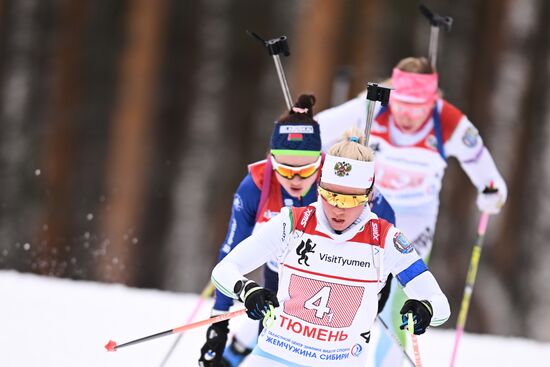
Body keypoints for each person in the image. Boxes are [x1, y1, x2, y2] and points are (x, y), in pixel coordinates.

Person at [315, 56, 508, 367]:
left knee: (402, 298)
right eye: (401, 103)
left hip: (416, 219)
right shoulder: (372, 105)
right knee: (351, 284)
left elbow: (484, 168)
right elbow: (316, 130)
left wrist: (492, 191)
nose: (406, 114)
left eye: (417, 106)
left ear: (433, 100)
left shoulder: (448, 121)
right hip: (368, 211)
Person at [209, 129, 450, 367]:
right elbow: (224, 270)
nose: (337, 208)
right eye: (330, 195)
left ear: (368, 195)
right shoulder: (292, 223)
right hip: (274, 357)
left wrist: (425, 308)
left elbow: (440, 303)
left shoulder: (386, 239)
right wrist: (247, 289)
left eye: (349, 200)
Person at [198, 96, 395, 367]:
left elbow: (387, 220)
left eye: (306, 171)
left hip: (338, 279)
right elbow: (232, 252)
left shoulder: (339, 179)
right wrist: (218, 324)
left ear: (321, 162)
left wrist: (384, 280)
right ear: (271, 161)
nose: (296, 180)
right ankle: (236, 353)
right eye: (285, 171)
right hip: (279, 275)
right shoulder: (256, 185)